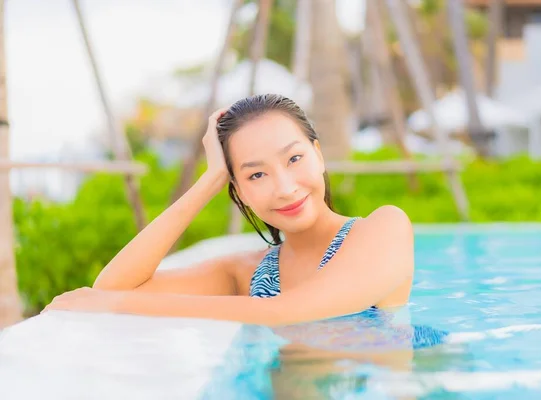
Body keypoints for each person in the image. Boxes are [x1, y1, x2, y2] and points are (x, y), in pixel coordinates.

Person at [44, 94, 414, 326]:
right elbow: (112, 285)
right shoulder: (246, 273)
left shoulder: (384, 229)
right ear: (238, 189)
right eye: (256, 174)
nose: (285, 188)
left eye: (294, 158)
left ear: (318, 155)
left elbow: (289, 311)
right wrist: (210, 180)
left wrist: (116, 306)